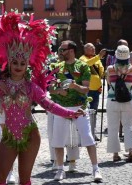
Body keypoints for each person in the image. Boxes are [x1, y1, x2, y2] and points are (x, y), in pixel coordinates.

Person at [0, 13, 84, 185]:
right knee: (0, 179)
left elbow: (49, 105)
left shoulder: (31, 87)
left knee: (25, 180)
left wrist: (69, 113)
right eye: (15, 63)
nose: (18, 67)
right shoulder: (1, 84)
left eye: (22, 64)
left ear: (26, 66)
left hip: (30, 134)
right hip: (9, 135)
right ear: (9, 63)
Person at [50, 40, 102, 182]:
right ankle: (60, 169)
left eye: (63, 49)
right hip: (61, 107)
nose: (61, 51)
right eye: (60, 49)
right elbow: (50, 88)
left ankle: (95, 169)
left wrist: (75, 87)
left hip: (79, 106)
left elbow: (86, 89)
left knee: (87, 137)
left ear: (71, 50)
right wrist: (59, 91)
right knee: (58, 140)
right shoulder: (57, 67)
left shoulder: (83, 66)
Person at [105, 45, 132, 162]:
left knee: (113, 127)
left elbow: (109, 83)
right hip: (129, 100)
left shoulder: (110, 69)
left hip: (113, 100)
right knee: (128, 125)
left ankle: (115, 154)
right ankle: (130, 150)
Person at [79, 43, 106, 140]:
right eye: (91, 48)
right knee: (86, 112)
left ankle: (93, 132)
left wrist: (105, 74)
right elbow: (87, 64)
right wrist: (99, 56)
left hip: (97, 89)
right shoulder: (82, 58)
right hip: (88, 90)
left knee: (94, 112)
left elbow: (101, 71)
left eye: (94, 48)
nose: (93, 49)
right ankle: (85, 133)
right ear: (85, 49)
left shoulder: (97, 59)